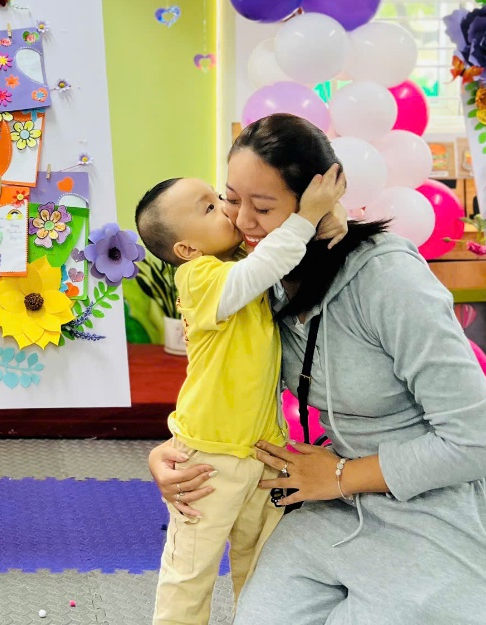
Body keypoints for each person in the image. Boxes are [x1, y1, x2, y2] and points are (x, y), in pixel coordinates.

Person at [147, 114, 486, 625]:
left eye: (262, 208)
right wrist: (176, 448)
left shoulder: (390, 279)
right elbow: (223, 376)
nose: (241, 222)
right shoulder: (258, 278)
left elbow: (480, 443)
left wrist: (339, 476)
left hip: (443, 494)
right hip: (337, 495)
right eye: (230, 200)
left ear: (313, 202)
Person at [134, 167, 347, 625]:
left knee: (262, 570)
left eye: (219, 197)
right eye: (211, 207)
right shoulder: (199, 277)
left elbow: (287, 252)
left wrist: (331, 214)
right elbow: (270, 261)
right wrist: (308, 217)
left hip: (264, 450)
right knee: (191, 572)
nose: (228, 210)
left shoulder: (240, 262)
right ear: (186, 249)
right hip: (209, 457)